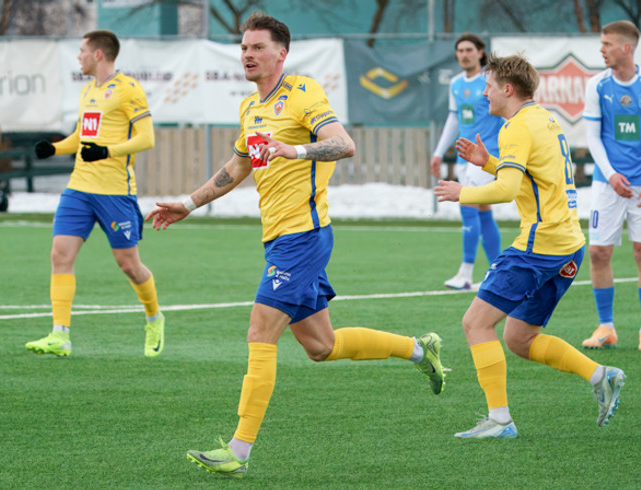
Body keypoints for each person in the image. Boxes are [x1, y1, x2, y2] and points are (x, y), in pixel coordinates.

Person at [147, 12, 445, 478]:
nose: (248, 55)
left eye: (258, 47)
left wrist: (297, 150)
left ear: (281, 53)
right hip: (279, 239)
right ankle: (418, 349)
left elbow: (344, 144)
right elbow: (237, 166)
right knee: (321, 346)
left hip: (303, 237)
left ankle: (238, 452)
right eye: (244, 48)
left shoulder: (302, 92)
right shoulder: (250, 108)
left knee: (259, 332)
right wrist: (188, 203)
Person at [434, 53, 625, 439]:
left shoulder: (516, 127)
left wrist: (462, 192)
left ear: (508, 89)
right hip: (567, 244)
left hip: (540, 247)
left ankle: (500, 421)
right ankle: (600, 376)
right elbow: (535, 175)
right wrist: (489, 163)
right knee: (519, 338)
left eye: (488, 86)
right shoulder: (544, 118)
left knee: (475, 323)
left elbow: (507, 190)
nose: (483, 93)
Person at [25, 30, 164, 358]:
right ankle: (60, 335)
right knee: (60, 255)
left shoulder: (128, 88)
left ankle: (154, 318)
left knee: (129, 265)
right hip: (79, 188)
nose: (79, 57)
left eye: (82, 51)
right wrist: (55, 148)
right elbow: (81, 137)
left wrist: (107, 152)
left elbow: (147, 138)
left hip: (115, 192)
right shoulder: (88, 90)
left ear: (98, 54)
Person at [581, 20, 641, 352]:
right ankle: (606, 327)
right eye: (601, 43)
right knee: (597, 252)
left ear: (626, 48)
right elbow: (593, 137)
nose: (602, 50)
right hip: (607, 184)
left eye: (607, 44)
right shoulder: (596, 85)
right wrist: (610, 175)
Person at [430, 33, 503, 290]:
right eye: (460, 50)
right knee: (483, 211)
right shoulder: (456, 83)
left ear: (480, 52)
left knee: (467, 204)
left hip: (486, 155)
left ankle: (465, 273)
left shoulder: (491, 81)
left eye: (469, 50)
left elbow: (505, 114)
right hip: (465, 156)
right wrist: (439, 152)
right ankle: (498, 271)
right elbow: (454, 118)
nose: (464, 54)